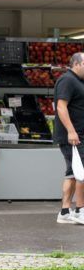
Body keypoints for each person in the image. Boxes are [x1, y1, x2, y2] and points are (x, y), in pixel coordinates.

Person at [53, 52, 84, 224]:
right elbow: (61, 107)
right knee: (82, 173)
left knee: (72, 173)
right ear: (77, 64)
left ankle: (65, 212)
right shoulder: (67, 80)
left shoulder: (79, 81)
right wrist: (71, 131)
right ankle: (80, 211)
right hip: (73, 137)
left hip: (77, 135)